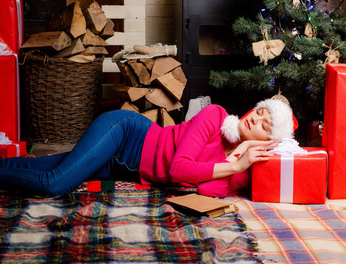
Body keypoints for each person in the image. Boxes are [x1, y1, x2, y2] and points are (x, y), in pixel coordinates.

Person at [0, 98, 297, 197]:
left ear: (267, 142)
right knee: (56, 184)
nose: (255, 118)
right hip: (126, 135)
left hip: (123, 166)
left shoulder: (238, 161)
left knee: (53, 167)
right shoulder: (215, 115)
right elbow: (179, 168)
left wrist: (237, 159)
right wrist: (234, 165)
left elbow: (205, 190)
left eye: (265, 125)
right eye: (260, 111)